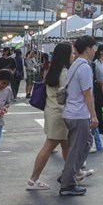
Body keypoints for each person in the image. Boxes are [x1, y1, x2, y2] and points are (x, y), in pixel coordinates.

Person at [26, 43, 71, 191]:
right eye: (72, 53)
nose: (73, 56)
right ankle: (33, 179)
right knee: (49, 145)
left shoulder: (52, 69)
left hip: (51, 110)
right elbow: (66, 95)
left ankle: (74, 172)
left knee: (65, 145)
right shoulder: (64, 72)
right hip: (59, 113)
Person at [59, 35, 99, 196]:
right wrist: (94, 115)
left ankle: (68, 174)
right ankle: (67, 183)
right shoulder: (84, 68)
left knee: (86, 142)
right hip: (78, 113)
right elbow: (87, 94)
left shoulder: (75, 65)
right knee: (77, 148)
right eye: (94, 47)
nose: (95, 50)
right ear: (88, 49)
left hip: (71, 111)